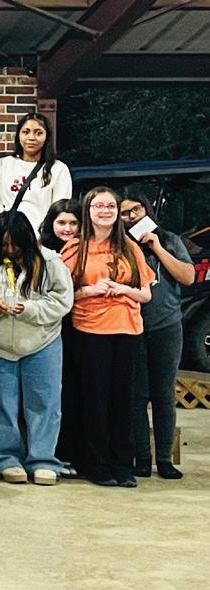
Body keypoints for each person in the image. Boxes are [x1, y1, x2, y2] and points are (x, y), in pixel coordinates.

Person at [0, 212, 73, 486]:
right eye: (3, 244)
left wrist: (29, 309)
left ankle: (43, 460)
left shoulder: (50, 261)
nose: (10, 250)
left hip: (42, 341)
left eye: (15, 244)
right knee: (1, 404)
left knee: (44, 402)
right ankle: (5, 459)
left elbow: (63, 301)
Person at [62, 187, 154, 488]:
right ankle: (97, 465)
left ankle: (122, 465)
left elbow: (146, 294)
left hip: (127, 329)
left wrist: (124, 289)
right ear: (88, 211)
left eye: (110, 206)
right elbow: (61, 295)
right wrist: (89, 291)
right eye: (98, 206)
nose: (105, 211)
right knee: (94, 399)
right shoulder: (75, 248)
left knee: (123, 400)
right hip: (89, 330)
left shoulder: (130, 248)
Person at [120, 190, 193, 479]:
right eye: (125, 213)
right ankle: (141, 458)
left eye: (136, 210)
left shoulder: (170, 239)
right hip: (132, 325)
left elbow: (188, 277)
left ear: (147, 210)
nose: (131, 217)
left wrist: (158, 247)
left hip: (167, 325)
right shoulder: (119, 245)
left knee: (164, 394)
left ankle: (164, 459)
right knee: (136, 396)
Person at [38, 199, 83, 476]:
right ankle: (54, 453)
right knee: (53, 394)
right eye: (62, 222)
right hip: (49, 329)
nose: (67, 228)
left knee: (76, 391)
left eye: (73, 223)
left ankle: (75, 454)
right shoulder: (40, 253)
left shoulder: (87, 248)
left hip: (81, 327)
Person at [0, 112, 72, 230]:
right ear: (18, 135)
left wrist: (43, 233)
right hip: (8, 235)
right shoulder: (3, 164)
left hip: (42, 236)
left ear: (47, 136)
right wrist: (2, 227)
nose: (31, 138)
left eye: (38, 133)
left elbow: (59, 209)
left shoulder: (58, 169)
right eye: (26, 132)